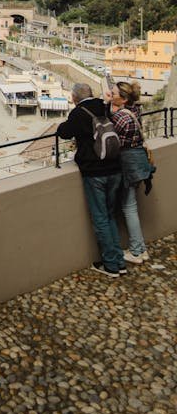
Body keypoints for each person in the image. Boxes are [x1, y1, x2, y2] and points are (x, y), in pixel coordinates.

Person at [56, 82, 126, 277]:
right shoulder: (104, 106)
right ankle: (119, 261)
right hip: (115, 166)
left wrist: (63, 123)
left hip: (95, 171)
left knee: (101, 218)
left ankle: (111, 265)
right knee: (111, 215)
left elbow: (64, 132)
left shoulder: (78, 113)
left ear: (74, 97)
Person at [108, 79, 155, 264]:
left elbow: (110, 136)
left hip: (128, 164)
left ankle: (136, 251)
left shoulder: (121, 117)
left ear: (123, 99)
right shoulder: (135, 110)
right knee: (132, 206)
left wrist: (108, 108)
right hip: (138, 162)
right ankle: (140, 248)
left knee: (129, 208)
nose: (110, 95)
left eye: (113, 94)